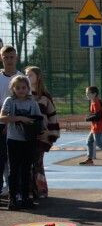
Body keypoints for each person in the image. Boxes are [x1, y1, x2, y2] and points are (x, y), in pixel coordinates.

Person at [0, 74, 42, 210]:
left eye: (24, 87)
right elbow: (2, 117)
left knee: (26, 170)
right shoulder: (10, 101)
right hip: (14, 140)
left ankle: (25, 197)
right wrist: (21, 118)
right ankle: (13, 199)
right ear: (13, 88)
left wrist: (38, 127)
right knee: (14, 170)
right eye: (18, 88)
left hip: (28, 140)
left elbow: (39, 119)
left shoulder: (32, 102)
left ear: (28, 88)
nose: (21, 90)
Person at [25, 66, 59, 200]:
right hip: (25, 135)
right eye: (26, 75)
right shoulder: (22, 94)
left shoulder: (45, 96)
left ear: (38, 77)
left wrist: (50, 133)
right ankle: (27, 190)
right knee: (26, 163)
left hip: (41, 135)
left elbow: (52, 116)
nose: (27, 77)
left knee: (38, 163)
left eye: (30, 75)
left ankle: (41, 190)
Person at [0, 45, 22, 199]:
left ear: (16, 58)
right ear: (1, 58)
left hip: (15, 125)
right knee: (1, 158)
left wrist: (10, 122)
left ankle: (14, 190)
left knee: (14, 160)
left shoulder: (21, 78)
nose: (9, 60)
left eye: (11, 57)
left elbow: (24, 101)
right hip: (0, 122)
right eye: (6, 57)